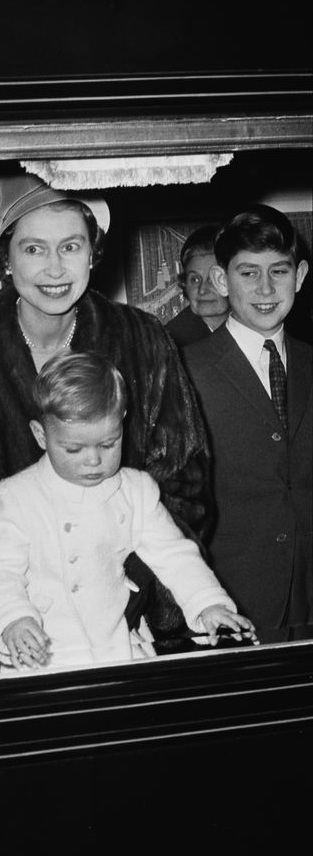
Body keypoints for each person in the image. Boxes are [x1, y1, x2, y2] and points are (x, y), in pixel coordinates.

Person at [0, 172, 212, 675]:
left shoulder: (143, 341)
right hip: (2, 647)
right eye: (34, 249)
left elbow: (183, 488)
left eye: (71, 246)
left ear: (92, 253)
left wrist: (137, 598)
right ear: (5, 258)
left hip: (126, 636)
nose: (55, 268)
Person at [0, 351, 254, 671]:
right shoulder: (17, 496)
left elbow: (175, 556)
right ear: (41, 435)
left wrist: (209, 603)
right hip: (41, 654)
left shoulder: (135, 490)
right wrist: (13, 619)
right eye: (74, 449)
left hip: (117, 648)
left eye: (108, 444)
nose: (93, 460)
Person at [182, 205, 312, 643]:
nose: (266, 287)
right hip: (231, 603)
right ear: (222, 280)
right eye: (248, 273)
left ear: (300, 276)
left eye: (279, 271)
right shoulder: (185, 371)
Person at [165, 224, 230, 348]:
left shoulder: (257, 327)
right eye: (195, 279)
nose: (202, 290)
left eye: (213, 279)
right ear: (185, 285)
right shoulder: (171, 344)